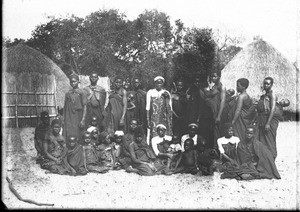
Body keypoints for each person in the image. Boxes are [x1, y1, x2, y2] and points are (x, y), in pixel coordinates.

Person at [201, 70, 226, 148]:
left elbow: (222, 101)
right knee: (209, 130)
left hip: (217, 111)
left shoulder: (222, 87)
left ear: (219, 77)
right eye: (212, 76)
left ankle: (217, 149)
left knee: (217, 131)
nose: (213, 78)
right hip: (209, 112)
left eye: (215, 76)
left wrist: (219, 115)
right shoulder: (210, 86)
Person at [256, 77, 281, 159]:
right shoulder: (263, 95)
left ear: (271, 84)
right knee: (262, 140)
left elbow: (273, 109)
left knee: (270, 140)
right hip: (262, 118)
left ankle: (272, 159)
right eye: (264, 83)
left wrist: (268, 123)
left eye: (268, 84)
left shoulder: (272, 94)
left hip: (268, 119)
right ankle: (265, 160)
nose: (266, 85)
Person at [146, 76, 173, 144]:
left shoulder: (166, 92)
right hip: (154, 117)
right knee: (154, 131)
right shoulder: (150, 92)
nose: (159, 85)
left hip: (163, 117)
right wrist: (148, 120)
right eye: (157, 83)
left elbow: (170, 107)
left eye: (160, 83)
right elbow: (147, 107)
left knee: (163, 131)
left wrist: (167, 98)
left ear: (163, 84)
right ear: (154, 84)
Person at [228, 78, 256, 143]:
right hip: (245, 120)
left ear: (243, 87)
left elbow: (238, 110)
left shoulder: (241, 97)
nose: (236, 87)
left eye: (238, 86)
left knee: (239, 136)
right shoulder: (247, 96)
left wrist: (233, 121)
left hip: (240, 121)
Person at [63, 73, 87, 140]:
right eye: (71, 82)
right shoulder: (68, 93)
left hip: (78, 116)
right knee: (70, 133)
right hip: (69, 117)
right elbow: (65, 107)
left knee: (79, 134)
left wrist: (83, 120)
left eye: (74, 81)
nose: (73, 83)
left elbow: (85, 106)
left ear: (78, 82)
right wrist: (64, 118)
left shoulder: (82, 92)